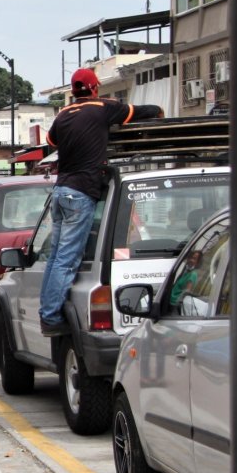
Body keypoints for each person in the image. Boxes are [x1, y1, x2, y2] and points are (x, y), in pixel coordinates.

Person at [38, 69, 163, 336]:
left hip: (60, 192)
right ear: (95, 89)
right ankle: (50, 317)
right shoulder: (103, 108)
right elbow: (138, 111)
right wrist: (158, 109)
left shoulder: (62, 115)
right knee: (67, 260)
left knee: (56, 257)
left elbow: (51, 141)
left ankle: (46, 310)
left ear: (73, 91)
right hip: (81, 192)